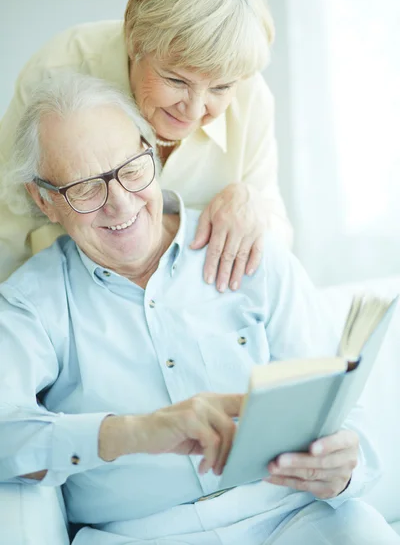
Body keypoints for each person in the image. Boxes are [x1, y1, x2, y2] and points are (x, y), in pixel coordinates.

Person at [0, 73, 398, 545]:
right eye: (86, 188)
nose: (121, 203)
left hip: (291, 517)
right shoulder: (31, 300)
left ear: (151, 150)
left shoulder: (249, 250)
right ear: (45, 199)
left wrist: (345, 467)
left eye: (131, 169)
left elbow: (349, 412)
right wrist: (136, 432)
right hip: (140, 536)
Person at [0, 0, 292, 291]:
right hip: (73, 302)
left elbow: (278, 241)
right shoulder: (56, 73)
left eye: (221, 88)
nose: (194, 110)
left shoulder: (250, 95)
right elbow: (6, 226)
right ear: (135, 42)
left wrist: (253, 208)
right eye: (176, 81)